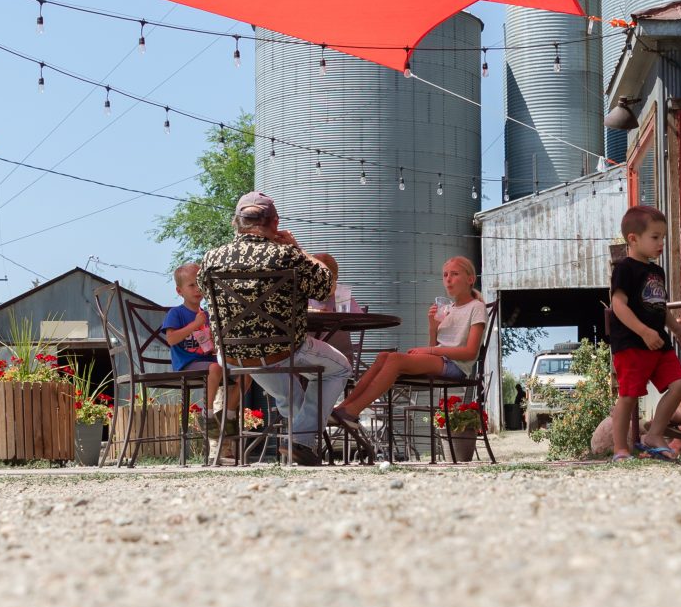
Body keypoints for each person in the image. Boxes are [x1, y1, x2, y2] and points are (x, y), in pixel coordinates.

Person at [196, 192, 350, 463]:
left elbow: (204, 292)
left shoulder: (211, 258)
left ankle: (300, 445)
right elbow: (326, 286)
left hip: (231, 355)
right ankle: (301, 440)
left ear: (237, 222)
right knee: (339, 368)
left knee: (288, 393)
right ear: (275, 223)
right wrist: (297, 248)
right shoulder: (288, 255)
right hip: (281, 349)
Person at [332, 255, 487, 443]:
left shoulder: (477, 307)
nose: (448, 279)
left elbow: (470, 353)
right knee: (383, 356)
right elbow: (435, 346)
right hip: (442, 361)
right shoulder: (449, 309)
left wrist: (430, 351)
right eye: (445, 275)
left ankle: (352, 412)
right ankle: (344, 408)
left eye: (454, 274)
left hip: (457, 366)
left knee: (395, 360)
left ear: (470, 279)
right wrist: (432, 326)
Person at [605, 205, 681, 460]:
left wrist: (676, 329)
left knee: (680, 384)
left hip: (658, 343)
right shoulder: (625, 269)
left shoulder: (657, 271)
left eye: (663, 237)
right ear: (633, 239)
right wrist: (643, 331)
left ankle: (654, 434)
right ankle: (620, 449)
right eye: (655, 237)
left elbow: (659, 306)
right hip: (632, 343)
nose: (661, 243)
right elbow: (618, 305)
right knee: (629, 395)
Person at [161, 262, 224, 417]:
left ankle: (227, 414)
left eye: (200, 284)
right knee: (215, 368)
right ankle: (207, 414)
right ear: (179, 291)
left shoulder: (209, 315)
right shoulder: (176, 313)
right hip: (187, 364)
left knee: (246, 372)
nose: (197, 289)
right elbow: (171, 339)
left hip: (210, 360)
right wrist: (195, 325)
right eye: (191, 285)